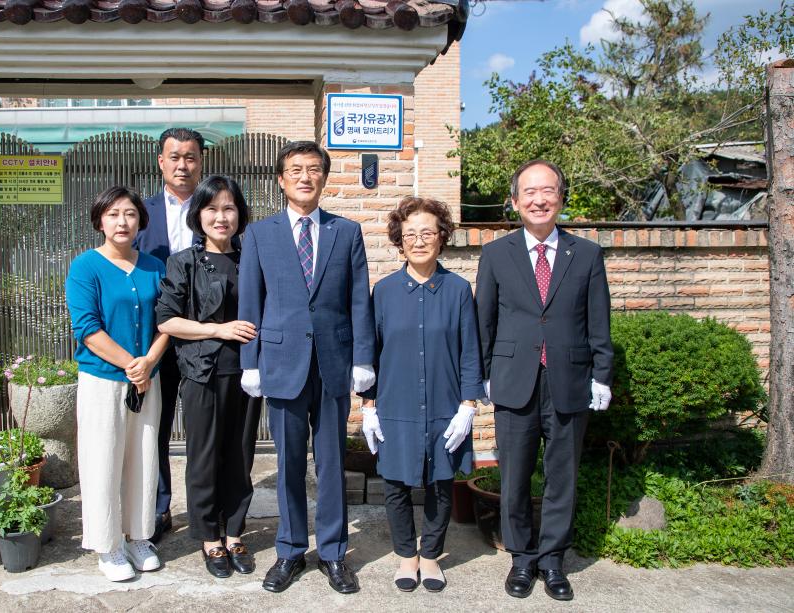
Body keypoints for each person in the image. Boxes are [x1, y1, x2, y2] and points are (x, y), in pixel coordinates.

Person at [238, 140, 376, 595]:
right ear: (281, 179)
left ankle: (333, 553)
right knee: (289, 462)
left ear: (324, 177)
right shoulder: (259, 234)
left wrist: (363, 358)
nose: (304, 177)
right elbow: (251, 304)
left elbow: (359, 299)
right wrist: (250, 362)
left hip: (334, 363)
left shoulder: (346, 231)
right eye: (295, 169)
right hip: (281, 363)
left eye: (313, 169)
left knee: (332, 462)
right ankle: (291, 549)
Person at [475, 159, 614, 601]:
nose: (539, 199)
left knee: (562, 475)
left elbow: (599, 322)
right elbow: (485, 322)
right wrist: (483, 376)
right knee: (514, 475)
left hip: (569, 381)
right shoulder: (496, 254)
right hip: (514, 380)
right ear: (515, 201)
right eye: (529, 192)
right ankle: (521, 558)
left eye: (548, 191)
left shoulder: (587, 254)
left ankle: (553, 561)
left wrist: (602, 376)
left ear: (561, 198)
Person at [359, 197, 482, 593]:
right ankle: (405, 556)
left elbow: (470, 353)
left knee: (440, 484)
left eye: (428, 232)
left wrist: (468, 406)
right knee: (395, 484)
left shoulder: (460, 290)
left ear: (442, 237)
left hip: (446, 407)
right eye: (410, 233)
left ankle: (430, 556)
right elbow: (371, 353)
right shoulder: (385, 291)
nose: (419, 240)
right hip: (395, 406)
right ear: (399, 240)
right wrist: (368, 406)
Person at [155, 175, 262, 578]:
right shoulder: (183, 262)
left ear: (240, 214)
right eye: (212, 209)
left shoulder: (251, 258)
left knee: (240, 455)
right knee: (203, 457)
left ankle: (234, 531)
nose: (221, 217)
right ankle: (208, 538)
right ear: (198, 215)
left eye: (229, 208)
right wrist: (219, 329)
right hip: (203, 372)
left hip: (248, 372)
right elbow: (167, 321)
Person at [65, 185, 170, 582]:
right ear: (100, 221)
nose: (122, 221)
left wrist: (149, 363)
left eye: (129, 214)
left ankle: (139, 536)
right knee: (103, 460)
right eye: (113, 214)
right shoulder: (85, 267)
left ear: (141, 221)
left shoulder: (154, 267)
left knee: (143, 458)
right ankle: (108, 545)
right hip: (103, 381)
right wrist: (132, 365)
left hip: (147, 379)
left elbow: (168, 321)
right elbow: (87, 329)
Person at [134, 127, 205, 544]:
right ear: (161, 162)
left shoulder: (214, 209)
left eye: (190, 157)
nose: (182, 164)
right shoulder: (139, 213)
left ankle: (203, 512)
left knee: (201, 431)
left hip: (202, 339)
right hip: (154, 341)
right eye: (174, 157)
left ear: (201, 162)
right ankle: (158, 509)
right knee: (153, 429)